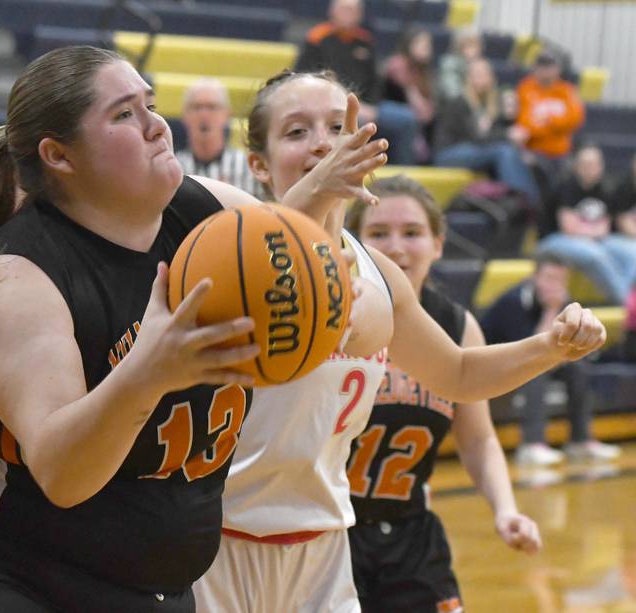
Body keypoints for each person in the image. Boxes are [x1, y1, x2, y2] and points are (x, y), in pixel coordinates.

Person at [0, 46, 389, 612]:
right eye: (125, 115)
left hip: (146, 587)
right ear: (60, 155)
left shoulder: (209, 213)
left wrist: (336, 291)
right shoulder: (19, 279)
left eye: (149, 105)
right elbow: (63, 473)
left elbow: (362, 319)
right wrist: (146, 374)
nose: (157, 126)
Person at [193, 69, 606, 613]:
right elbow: (276, 255)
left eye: (336, 127)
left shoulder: (379, 274)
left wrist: (551, 347)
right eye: (296, 132)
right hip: (220, 545)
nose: (321, 142)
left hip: (324, 546)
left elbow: (456, 374)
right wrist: (312, 195)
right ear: (259, 164)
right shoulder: (228, 240)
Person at [345, 175, 541, 612]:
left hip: (413, 536)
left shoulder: (456, 326)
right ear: (354, 243)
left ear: (438, 243)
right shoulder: (335, 317)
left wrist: (505, 510)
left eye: (412, 233)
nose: (396, 247)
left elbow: (478, 438)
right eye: (378, 234)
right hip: (333, 535)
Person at [481, 253, 621, 465]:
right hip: (493, 362)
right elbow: (530, 351)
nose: (555, 285)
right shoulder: (513, 301)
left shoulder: (565, 300)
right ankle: (532, 444)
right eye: (549, 278)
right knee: (536, 372)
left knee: (578, 368)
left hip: (527, 359)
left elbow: (562, 349)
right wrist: (551, 311)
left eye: (561, 280)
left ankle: (580, 441)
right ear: (535, 277)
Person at [295, 0, 419, 165]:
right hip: (331, 105)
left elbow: (375, 81)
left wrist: (372, 106)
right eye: (345, 9)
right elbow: (307, 77)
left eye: (353, 10)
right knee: (353, 123)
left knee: (406, 119)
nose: (349, 13)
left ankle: (402, 173)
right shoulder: (317, 38)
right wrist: (347, 104)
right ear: (332, 12)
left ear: (360, 14)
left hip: (368, 106)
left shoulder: (365, 40)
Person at [433, 58, 540, 206]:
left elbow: (491, 135)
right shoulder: (460, 102)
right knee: (504, 151)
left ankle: (527, 203)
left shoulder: (491, 103)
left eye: (485, 74)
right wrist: (508, 135)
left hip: (475, 151)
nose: (482, 78)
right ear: (468, 78)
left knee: (522, 156)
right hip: (448, 154)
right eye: (477, 74)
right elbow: (479, 138)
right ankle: (523, 203)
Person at [537, 144, 636, 304]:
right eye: (586, 164)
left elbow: (605, 225)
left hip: (592, 239)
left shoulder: (604, 188)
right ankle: (626, 302)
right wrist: (593, 232)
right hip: (554, 240)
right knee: (595, 254)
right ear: (577, 165)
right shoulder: (566, 186)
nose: (591, 168)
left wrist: (591, 233)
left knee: (633, 251)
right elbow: (569, 227)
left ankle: (631, 296)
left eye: (595, 164)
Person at [512, 50, 585, 191]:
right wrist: (557, 125)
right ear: (535, 68)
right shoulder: (525, 88)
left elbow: (575, 120)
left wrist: (547, 120)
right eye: (542, 66)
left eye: (549, 66)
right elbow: (525, 124)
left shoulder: (567, 90)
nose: (546, 71)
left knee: (565, 182)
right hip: (534, 153)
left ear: (558, 69)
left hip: (561, 154)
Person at [174, 78, 261, 197]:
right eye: (196, 107)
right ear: (184, 115)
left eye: (212, 107)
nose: (204, 115)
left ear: (226, 114)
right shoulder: (174, 167)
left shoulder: (247, 167)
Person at [382, 28, 437, 157]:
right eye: (422, 44)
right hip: (388, 108)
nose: (426, 49)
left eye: (428, 45)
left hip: (413, 117)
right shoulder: (398, 64)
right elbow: (417, 104)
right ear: (409, 44)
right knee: (409, 119)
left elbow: (428, 110)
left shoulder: (424, 72)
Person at [437, 29, 483, 101]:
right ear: (458, 48)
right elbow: (453, 94)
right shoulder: (449, 64)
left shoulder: (481, 66)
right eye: (468, 46)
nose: (474, 50)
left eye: (476, 46)